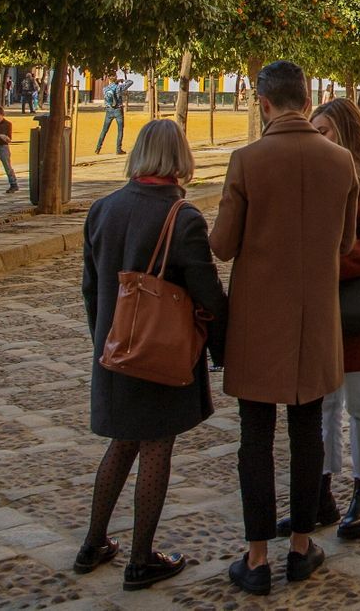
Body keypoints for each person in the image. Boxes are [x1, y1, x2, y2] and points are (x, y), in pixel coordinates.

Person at [210, 60, 359, 595]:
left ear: (263, 102)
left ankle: (255, 558)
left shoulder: (246, 161)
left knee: (255, 437)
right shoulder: (341, 161)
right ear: (306, 97)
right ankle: (300, 548)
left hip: (257, 321)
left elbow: (223, 244)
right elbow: (345, 244)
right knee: (306, 434)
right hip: (316, 319)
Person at [77, 120, 227, 591]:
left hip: (114, 348)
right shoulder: (182, 217)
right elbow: (207, 292)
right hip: (160, 352)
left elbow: (89, 288)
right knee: (156, 447)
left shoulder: (102, 209)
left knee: (122, 442)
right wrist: (222, 346)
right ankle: (141, 558)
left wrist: (104, 340)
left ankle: (93, 542)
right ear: (179, 158)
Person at [290, 98, 360, 541]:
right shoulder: (312, 177)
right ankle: (319, 493)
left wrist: (330, 261)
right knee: (323, 401)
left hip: (358, 307)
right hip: (319, 306)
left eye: (326, 131)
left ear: (347, 132)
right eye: (313, 131)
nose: (318, 139)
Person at [96, 74, 126, 155]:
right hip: (118, 110)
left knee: (104, 130)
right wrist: (120, 81)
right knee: (120, 130)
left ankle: (98, 148)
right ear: (116, 79)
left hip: (108, 111)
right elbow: (130, 82)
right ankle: (118, 149)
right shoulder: (119, 87)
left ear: (109, 80)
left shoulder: (105, 89)